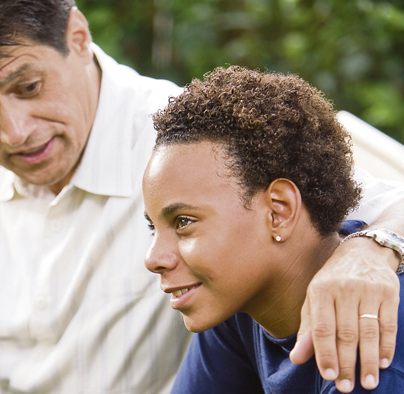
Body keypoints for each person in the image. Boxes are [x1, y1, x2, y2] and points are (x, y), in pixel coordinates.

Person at [0, 0, 404, 393]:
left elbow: (336, 203)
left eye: (29, 86)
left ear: (77, 37)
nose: (16, 131)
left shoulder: (183, 144)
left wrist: (373, 249)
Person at [143, 66, 404, 393]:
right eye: (153, 226)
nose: (153, 259)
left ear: (279, 212)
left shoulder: (367, 331)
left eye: (183, 222)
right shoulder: (236, 300)